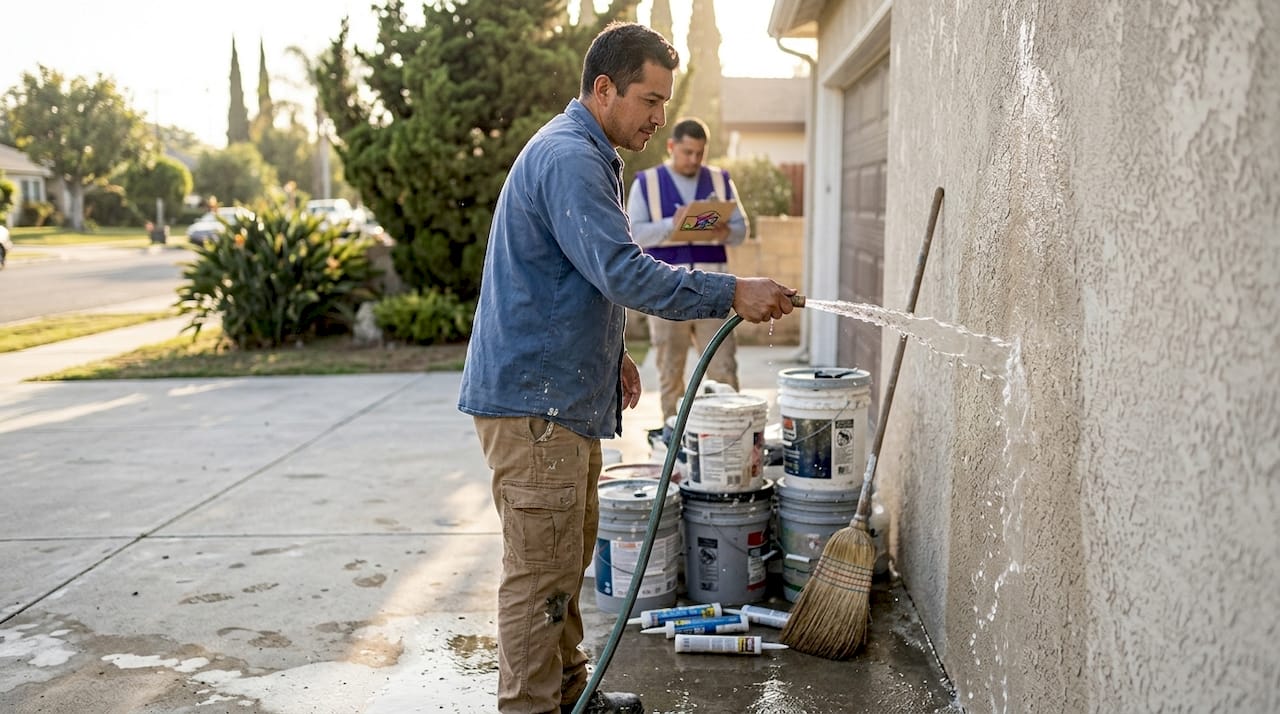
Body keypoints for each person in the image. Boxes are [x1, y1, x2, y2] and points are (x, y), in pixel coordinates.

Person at [457, 22, 797, 714]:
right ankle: (531, 707)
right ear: (605, 88)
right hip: (535, 408)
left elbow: (573, 274)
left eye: (665, 103)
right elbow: (621, 270)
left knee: (563, 559)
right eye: (650, 100)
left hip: (556, 397)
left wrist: (609, 356)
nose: (659, 118)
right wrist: (731, 291)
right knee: (539, 575)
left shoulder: (588, 153)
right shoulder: (570, 158)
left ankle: (569, 691)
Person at [627, 117, 748, 420]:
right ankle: (674, 438)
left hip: (715, 293)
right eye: (688, 152)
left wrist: (725, 231)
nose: (694, 159)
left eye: (700, 153)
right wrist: (674, 224)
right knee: (671, 374)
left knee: (724, 370)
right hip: (667, 293)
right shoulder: (646, 183)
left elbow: (741, 230)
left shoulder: (720, 180)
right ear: (672, 147)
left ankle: (730, 433)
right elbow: (635, 234)